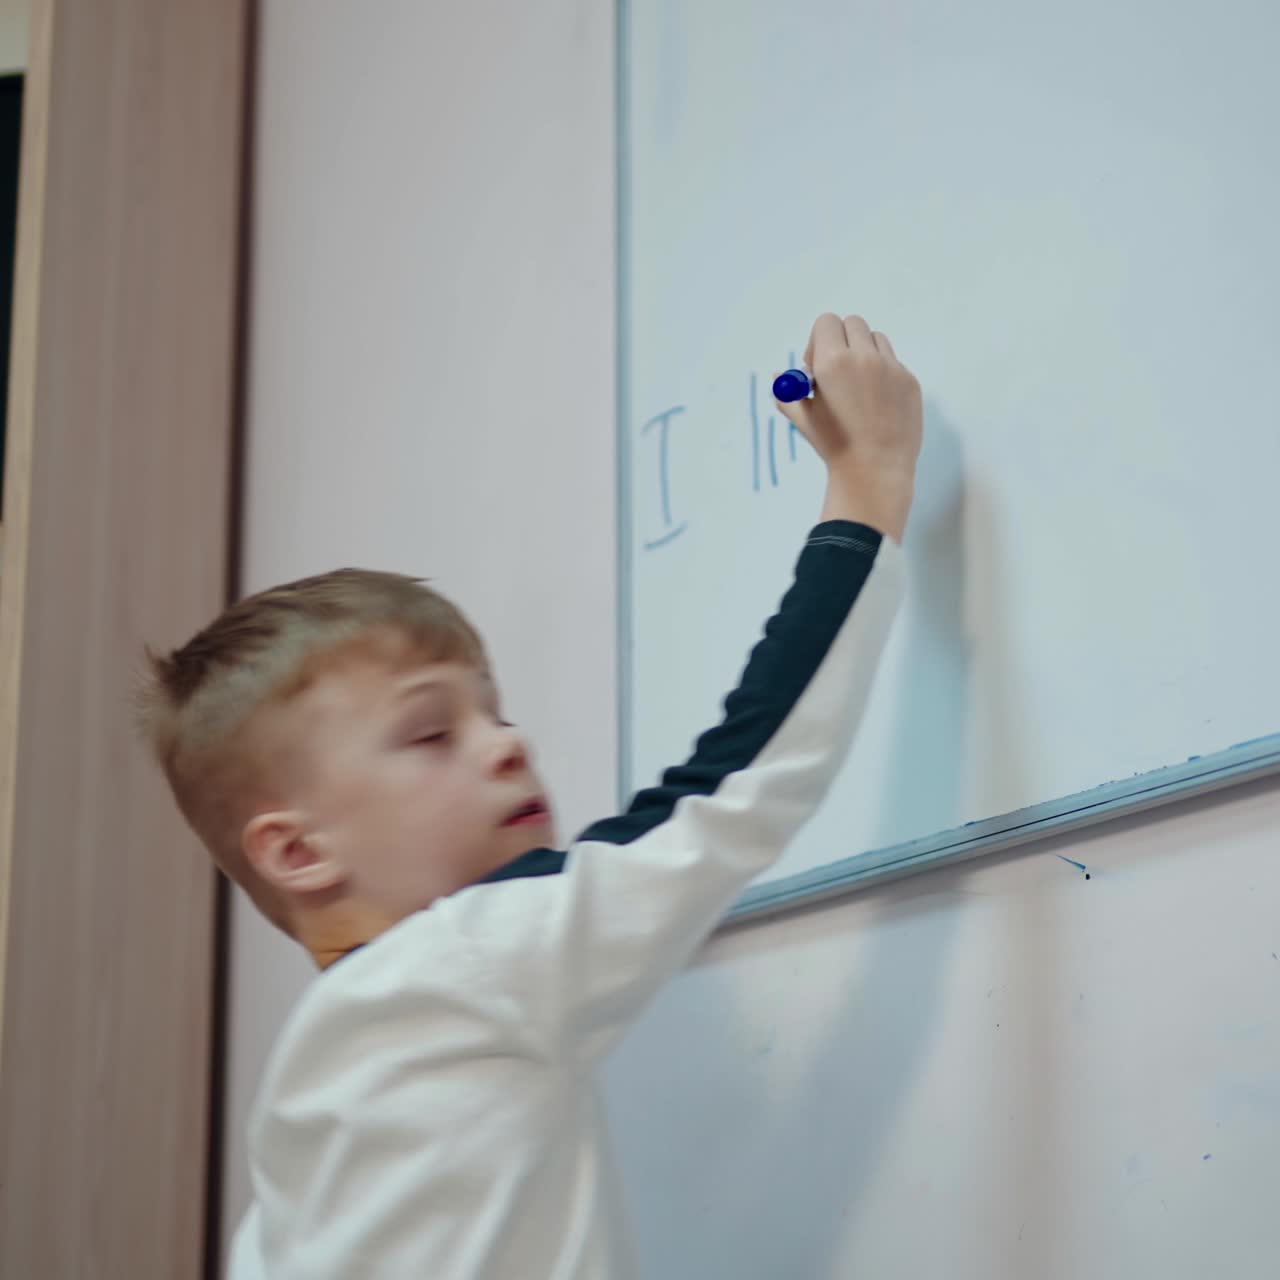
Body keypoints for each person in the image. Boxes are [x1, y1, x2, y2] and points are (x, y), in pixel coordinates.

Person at [137, 311, 923, 1277]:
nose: (508, 744)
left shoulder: (305, 1116)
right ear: (299, 852)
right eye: (432, 733)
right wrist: (866, 490)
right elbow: (733, 785)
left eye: (494, 711)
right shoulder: (457, 965)